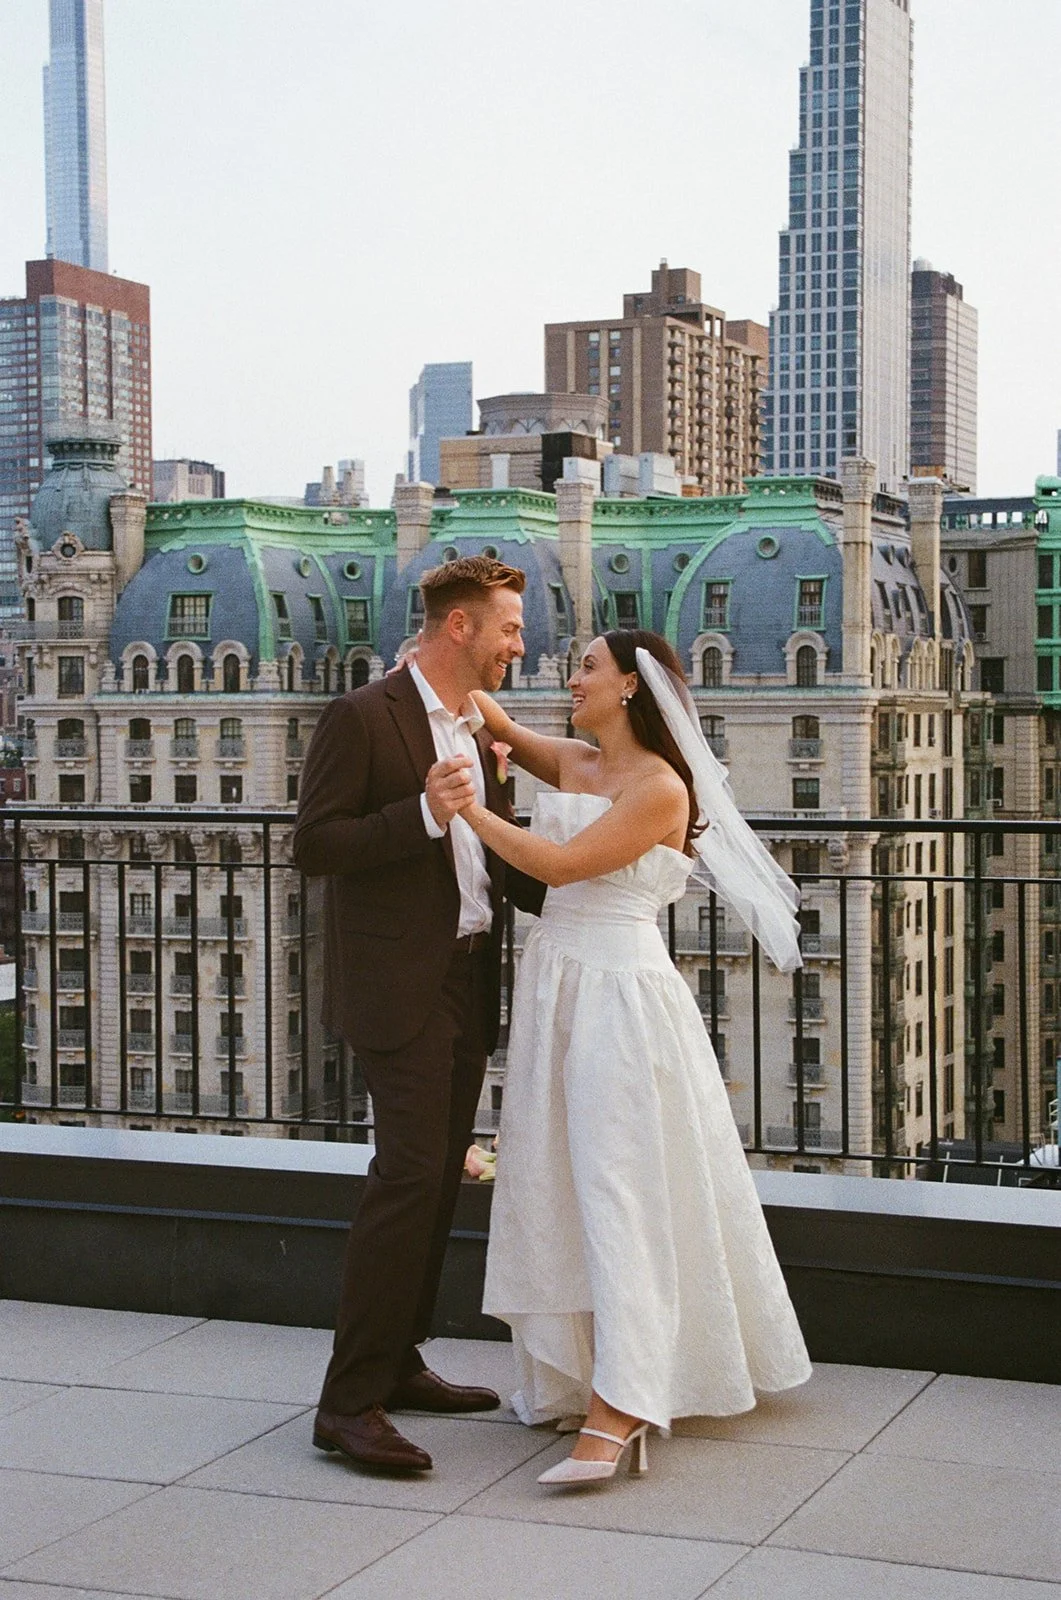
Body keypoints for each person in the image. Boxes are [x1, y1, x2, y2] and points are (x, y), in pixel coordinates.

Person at [456, 629, 812, 1487]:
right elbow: (490, 716)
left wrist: (468, 809)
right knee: (557, 1179)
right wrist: (448, 667)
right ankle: (585, 1374)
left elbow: (560, 864)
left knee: (619, 1188)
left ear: (626, 689)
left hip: (618, 997)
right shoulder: (577, 760)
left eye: (585, 666)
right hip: (557, 992)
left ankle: (625, 1403)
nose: (569, 676)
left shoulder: (658, 789)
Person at [292, 554, 544, 1475]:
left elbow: (489, 864)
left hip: (466, 979)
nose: (522, 644)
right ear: (461, 628)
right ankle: (345, 1403)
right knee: (405, 1179)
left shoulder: (477, 728)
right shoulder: (363, 716)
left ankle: (398, 1365)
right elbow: (315, 845)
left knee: (439, 1180)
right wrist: (422, 814)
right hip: (395, 987)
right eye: (510, 627)